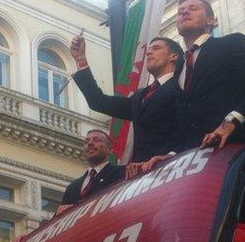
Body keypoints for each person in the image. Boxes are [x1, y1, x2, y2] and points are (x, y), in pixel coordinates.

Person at [144, 0, 245, 229]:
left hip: (244, 164)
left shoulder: (231, 44)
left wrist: (229, 123)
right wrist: (170, 155)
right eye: (181, 10)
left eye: (192, 8)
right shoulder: (180, 70)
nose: (184, 12)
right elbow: (185, 126)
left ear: (210, 20)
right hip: (202, 177)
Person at [69, 35, 182, 163]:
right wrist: (81, 60)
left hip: (173, 165)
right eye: (149, 49)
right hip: (141, 171)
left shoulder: (183, 85)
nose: (149, 52)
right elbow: (98, 102)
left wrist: (172, 154)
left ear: (174, 56)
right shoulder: (141, 96)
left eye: (156, 48)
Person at [58, 129, 126, 213]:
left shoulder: (121, 173)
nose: (90, 143)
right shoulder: (72, 187)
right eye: (86, 142)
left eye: (96, 140)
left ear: (110, 150)